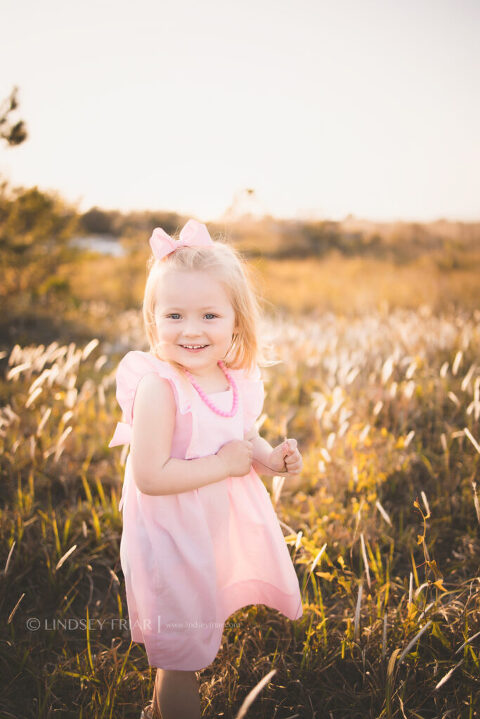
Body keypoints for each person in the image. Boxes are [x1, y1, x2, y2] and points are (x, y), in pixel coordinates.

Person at [108, 218, 304, 719]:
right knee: (181, 655)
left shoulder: (232, 378)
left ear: (236, 322)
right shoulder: (160, 388)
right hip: (170, 536)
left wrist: (269, 459)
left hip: (207, 530)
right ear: (153, 322)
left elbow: (242, 435)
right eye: (173, 315)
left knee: (192, 631)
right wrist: (221, 465)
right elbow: (150, 476)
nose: (191, 330)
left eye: (209, 315)